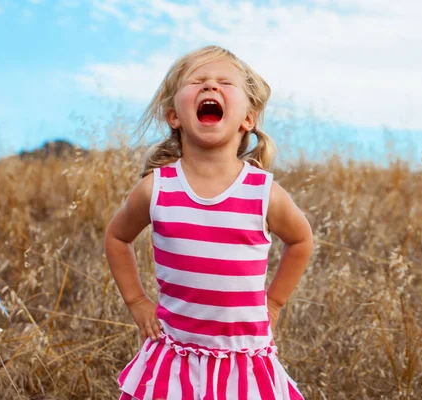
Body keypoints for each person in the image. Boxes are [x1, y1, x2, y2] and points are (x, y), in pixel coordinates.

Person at [104, 45, 314, 400]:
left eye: (224, 83)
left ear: (248, 118)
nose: (210, 87)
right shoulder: (157, 188)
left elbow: (301, 240)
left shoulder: (264, 192)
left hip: (243, 362)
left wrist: (274, 303)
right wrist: (137, 301)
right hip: (175, 356)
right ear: (174, 116)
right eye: (197, 81)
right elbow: (116, 237)